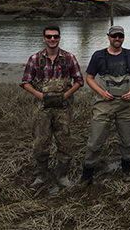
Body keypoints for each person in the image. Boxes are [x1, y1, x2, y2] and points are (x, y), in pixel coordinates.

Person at [20, 25, 84, 191]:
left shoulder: (69, 58)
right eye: (49, 37)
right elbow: (25, 82)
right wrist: (39, 95)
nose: (52, 39)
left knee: (64, 142)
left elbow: (79, 80)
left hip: (63, 109)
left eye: (55, 36)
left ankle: (62, 176)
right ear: (44, 39)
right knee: (40, 142)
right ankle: (41, 176)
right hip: (42, 108)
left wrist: (67, 94)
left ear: (59, 38)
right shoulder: (35, 59)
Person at [79, 26, 130, 184]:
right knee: (95, 140)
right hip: (104, 104)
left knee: (127, 140)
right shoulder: (98, 56)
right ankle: (87, 174)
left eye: (120, 36)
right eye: (114, 36)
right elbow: (90, 78)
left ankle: (127, 171)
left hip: (126, 105)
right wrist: (102, 92)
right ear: (108, 37)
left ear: (124, 37)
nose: (117, 39)